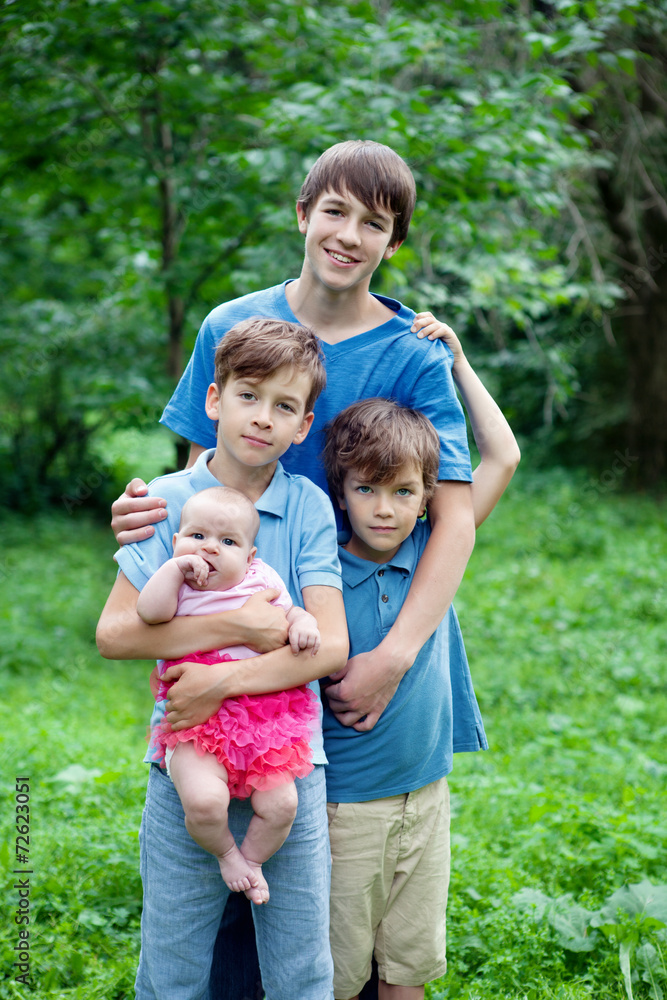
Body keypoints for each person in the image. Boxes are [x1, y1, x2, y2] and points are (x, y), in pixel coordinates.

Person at [110, 140, 477, 999]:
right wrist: (146, 523)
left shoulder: (412, 350)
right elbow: (205, 475)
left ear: (394, 243)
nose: (348, 235)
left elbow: (454, 515)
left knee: (329, 877)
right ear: (301, 212)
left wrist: (394, 655)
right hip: (224, 632)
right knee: (211, 913)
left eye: (374, 223)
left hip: (351, 636)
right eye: (335, 211)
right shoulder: (229, 324)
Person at [97, 318, 349, 1000]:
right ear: (212, 400)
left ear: (304, 426)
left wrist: (219, 681)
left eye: (285, 406)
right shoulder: (165, 502)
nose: (262, 418)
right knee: (174, 965)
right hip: (182, 763)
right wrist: (240, 623)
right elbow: (117, 634)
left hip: (291, 763)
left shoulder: (309, 507)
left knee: (301, 968)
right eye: (248, 395)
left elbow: (328, 646)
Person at [321, 332, 519, 1000]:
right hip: (342, 810)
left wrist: (459, 364)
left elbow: (504, 454)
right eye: (367, 489)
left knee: (408, 971)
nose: (385, 508)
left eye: (404, 492)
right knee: (339, 977)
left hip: (427, 793)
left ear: (428, 494)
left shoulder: (435, 549)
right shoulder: (317, 571)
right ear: (340, 491)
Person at [137, 485, 322, 906]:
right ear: (176, 542)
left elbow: (289, 611)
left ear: (250, 557)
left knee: (281, 805)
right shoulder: (179, 587)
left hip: (263, 721)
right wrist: (173, 569)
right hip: (197, 723)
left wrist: (303, 621)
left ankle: (251, 861)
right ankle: (226, 854)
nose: (210, 550)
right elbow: (150, 614)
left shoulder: (262, 579)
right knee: (204, 802)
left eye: (228, 541)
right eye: (197, 536)